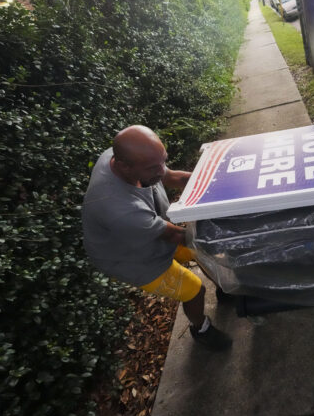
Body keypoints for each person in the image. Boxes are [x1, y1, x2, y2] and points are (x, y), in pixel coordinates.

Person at [82, 125, 231, 350]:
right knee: (194, 290)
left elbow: (171, 177)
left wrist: (217, 183)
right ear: (124, 166)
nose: (161, 170)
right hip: (130, 258)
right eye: (154, 167)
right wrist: (227, 238)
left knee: (202, 253)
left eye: (163, 160)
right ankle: (201, 329)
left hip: (149, 231)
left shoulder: (130, 160)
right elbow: (175, 235)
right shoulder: (119, 208)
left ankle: (225, 291)